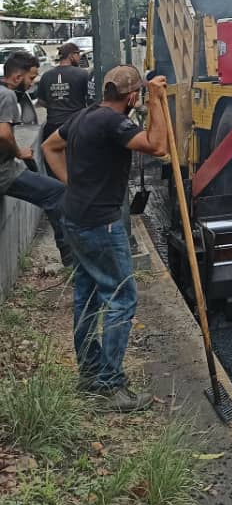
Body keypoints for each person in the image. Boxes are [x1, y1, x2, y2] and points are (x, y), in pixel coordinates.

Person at [43, 66, 169, 412]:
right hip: (101, 225)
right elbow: (157, 146)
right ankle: (111, 386)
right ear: (131, 97)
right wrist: (157, 99)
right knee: (121, 299)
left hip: (75, 217)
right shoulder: (116, 123)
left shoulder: (84, 117)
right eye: (138, 96)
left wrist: (72, 185)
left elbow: (49, 146)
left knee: (87, 295)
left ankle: (90, 373)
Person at [0, 50, 72, 266]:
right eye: (31, 78)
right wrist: (18, 152)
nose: (31, 84)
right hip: (4, 172)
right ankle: (70, 256)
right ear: (17, 77)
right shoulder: (7, 95)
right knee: (57, 192)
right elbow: (3, 133)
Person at [37, 42, 90, 145]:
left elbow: (41, 101)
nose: (79, 57)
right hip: (75, 126)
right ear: (71, 56)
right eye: (78, 54)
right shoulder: (82, 74)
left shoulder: (46, 76)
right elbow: (89, 98)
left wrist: (55, 104)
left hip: (52, 126)